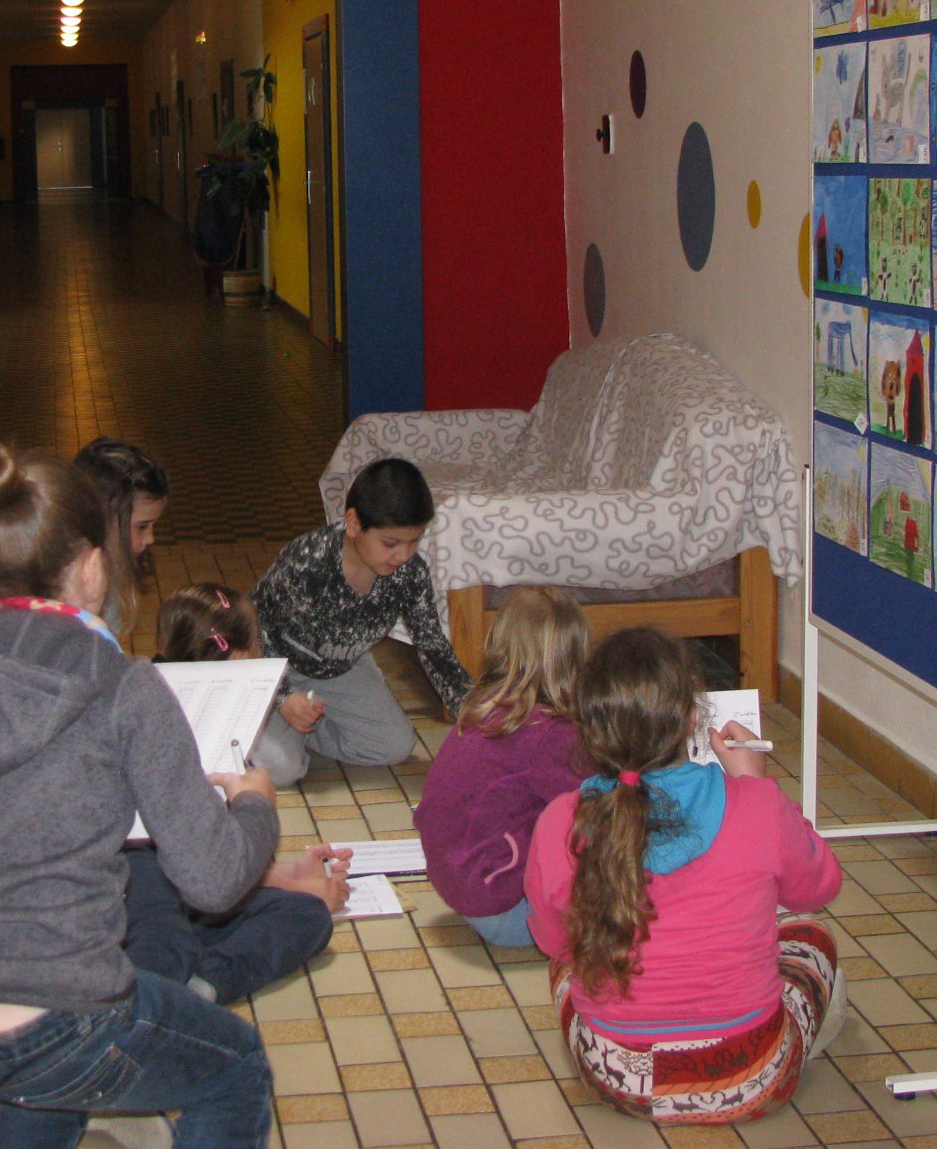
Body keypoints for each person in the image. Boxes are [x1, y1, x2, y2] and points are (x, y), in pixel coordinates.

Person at [0, 434, 277, 1149]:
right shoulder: (125, 687)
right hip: (58, 1015)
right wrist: (256, 807)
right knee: (235, 1067)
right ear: (93, 566)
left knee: (55, 1071)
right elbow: (214, 880)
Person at [524, 628, 847, 1126]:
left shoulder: (560, 821)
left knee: (572, 955)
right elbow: (820, 887)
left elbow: (554, 942)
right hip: (749, 1074)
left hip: (616, 1077)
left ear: (586, 727)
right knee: (812, 934)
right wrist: (753, 782)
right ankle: (810, 1027)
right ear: (693, 718)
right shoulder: (757, 805)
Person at [120, 584, 348, 1005]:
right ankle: (171, 988)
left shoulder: (215, 716)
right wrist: (254, 807)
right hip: (143, 880)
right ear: (242, 657)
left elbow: (211, 869)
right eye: (258, 643)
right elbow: (189, 867)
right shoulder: (157, 710)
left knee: (309, 914)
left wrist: (288, 878)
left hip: (192, 887)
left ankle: (201, 983)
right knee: (165, 940)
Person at [251, 458, 469, 784]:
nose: (404, 555)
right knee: (281, 770)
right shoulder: (307, 561)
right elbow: (254, 630)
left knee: (394, 746)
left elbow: (432, 646)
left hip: (342, 668)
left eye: (415, 540)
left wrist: (477, 715)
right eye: (390, 543)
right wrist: (281, 698)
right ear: (353, 523)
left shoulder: (409, 573)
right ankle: (275, 722)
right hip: (276, 669)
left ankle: (303, 726)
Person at [413, 586, 588, 947]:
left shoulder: (486, 708)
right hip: (506, 910)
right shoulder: (549, 733)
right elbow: (595, 803)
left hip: (463, 886)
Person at [71, 438, 169, 642]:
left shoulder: (108, 569)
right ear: (102, 517)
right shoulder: (69, 587)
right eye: (142, 526)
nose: (150, 538)